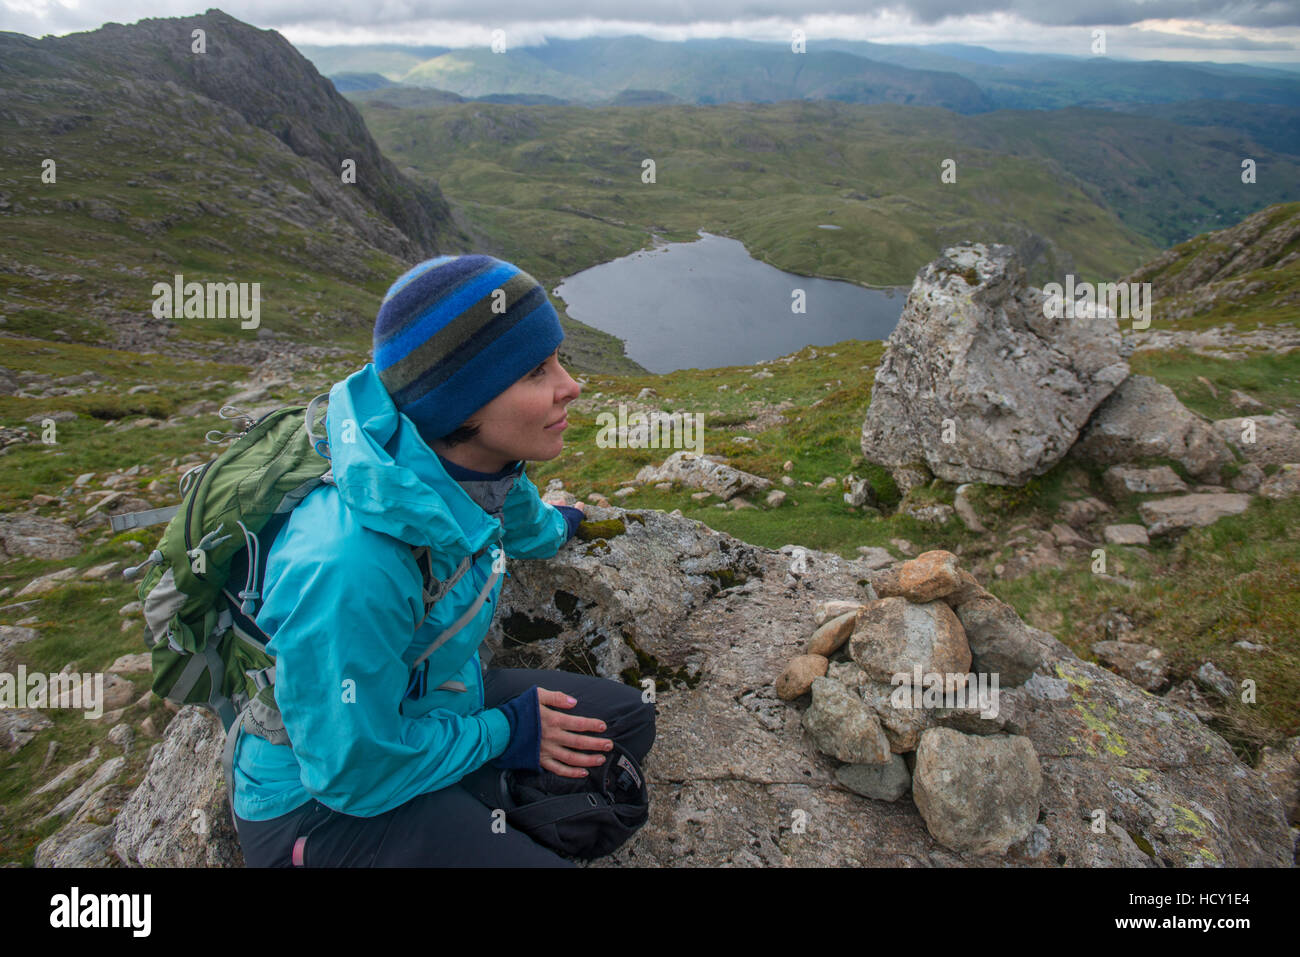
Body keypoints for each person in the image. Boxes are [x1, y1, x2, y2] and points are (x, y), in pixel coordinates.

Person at [230, 254, 656, 866]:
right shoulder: (349, 566)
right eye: (538, 371)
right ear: (464, 405)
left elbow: (514, 515)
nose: (572, 385)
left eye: (557, 359)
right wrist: (507, 734)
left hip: (431, 702)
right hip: (323, 802)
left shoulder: (473, 465)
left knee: (628, 722)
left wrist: (561, 524)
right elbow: (352, 773)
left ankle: (476, 805)